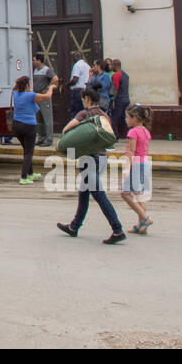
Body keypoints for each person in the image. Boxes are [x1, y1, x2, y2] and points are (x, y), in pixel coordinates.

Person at [57, 90, 126, 244]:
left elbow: (66, 129)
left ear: (87, 99)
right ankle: (74, 227)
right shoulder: (104, 115)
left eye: (83, 99)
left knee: (99, 196)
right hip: (102, 158)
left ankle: (117, 229)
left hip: (88, 159)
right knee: (84, 193)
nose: (83, 102)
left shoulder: (84, 114)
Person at [12, 75, 56, 184]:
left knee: (26, 150)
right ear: (27, 85)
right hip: (29, 126)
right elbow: (47, 97)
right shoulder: (30, 95)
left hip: (17, 125)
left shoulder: (15, 94)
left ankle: (30, 174)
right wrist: (51, 87)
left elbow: (15, 88)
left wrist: (22, 85)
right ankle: (23, 178)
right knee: (28, 153)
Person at [121, 104, 153, 234]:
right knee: (139, 195)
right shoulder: (146, 131)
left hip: (136, 165)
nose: (126, 119)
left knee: (125, 194)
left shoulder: (133, 132)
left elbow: (131, 151)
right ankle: (141, 225)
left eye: (128, 117)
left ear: (135, 118)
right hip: (144, 163)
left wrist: (127, 169)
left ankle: (146, 218)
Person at [31, 54, 57, 147]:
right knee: (39, 119)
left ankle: (49, 139)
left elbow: (55, 78)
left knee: (47, 119)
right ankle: (41, 138)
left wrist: (47, 88)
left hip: (44, 98)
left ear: (39, 60)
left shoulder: (47, 70)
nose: (33, 62)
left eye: (34, 60)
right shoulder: (35, 70)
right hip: (37, 97)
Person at [110, 58, 130, 140]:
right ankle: (131, 134)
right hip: (126, 99)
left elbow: (115, 89)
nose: (111, 67)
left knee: (114, 118)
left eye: (112, 65)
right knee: (123, 119)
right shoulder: (126, 75)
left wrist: (113, 101)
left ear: (115, 65)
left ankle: (115, 136)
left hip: (119, 100)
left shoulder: (116, 75)